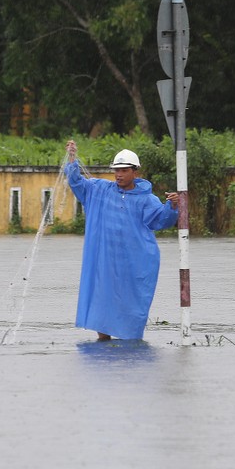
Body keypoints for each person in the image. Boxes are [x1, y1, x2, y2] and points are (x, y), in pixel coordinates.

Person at [64, 140, 179, 341]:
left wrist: (172, 206)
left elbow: (162, 220)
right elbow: (77, 183)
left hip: (135, 261)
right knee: (102, 298)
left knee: (132, 301)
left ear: (135, 172)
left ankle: (131, 347)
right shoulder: (99, 190)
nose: (119, 174)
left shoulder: (146, 198)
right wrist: (72, 159)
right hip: (105, 261)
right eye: (117, 170)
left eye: (124, 170)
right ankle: (103, 344)